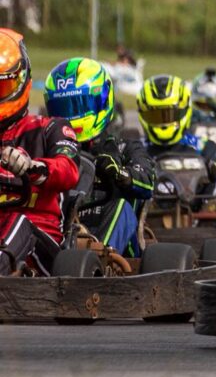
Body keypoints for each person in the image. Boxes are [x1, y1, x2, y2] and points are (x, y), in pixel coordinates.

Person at [44, 58, 155, 256]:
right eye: (65, 108)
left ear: (103, 100)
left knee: (122, 206)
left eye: (79, 105)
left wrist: (121, 174)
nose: (73, 116)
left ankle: (96, 259)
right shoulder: (51, 151)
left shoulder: (124, 147)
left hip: (115, 242)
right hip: (60, 226)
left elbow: (148, 181)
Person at [0, 29, 80, 275]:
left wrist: (33, 167)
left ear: (22, 79)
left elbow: (68, 171)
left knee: (18, 223)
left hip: (41, 240)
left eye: (2, 87)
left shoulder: (50, 128)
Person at [137, 75, 216, 212]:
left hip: (196, 210)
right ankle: (150, 210)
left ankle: (209, 213)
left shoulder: (204, 147)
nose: (164, 123)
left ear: (185, 111)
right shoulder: (137, 148)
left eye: (170, 115)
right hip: (148, 214)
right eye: (155, 115)